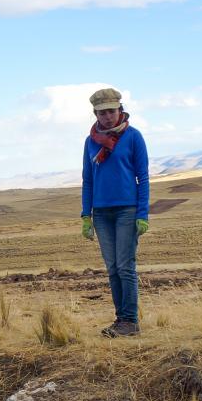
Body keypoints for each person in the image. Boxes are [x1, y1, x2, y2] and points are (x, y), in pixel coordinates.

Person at [80, 87, 151, 337]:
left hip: (126, 211)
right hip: (101, 213)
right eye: (102, 113)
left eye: (111, 111)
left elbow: (142, 176)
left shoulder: (133, 137)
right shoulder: (90, 141)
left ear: (120, 109)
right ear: (95, 114)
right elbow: (88, 180)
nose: (107, 117)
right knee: (112, 268)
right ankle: (121, 319)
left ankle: (130, 321)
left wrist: (142, 214)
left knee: (125, 266)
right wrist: (85, 215)